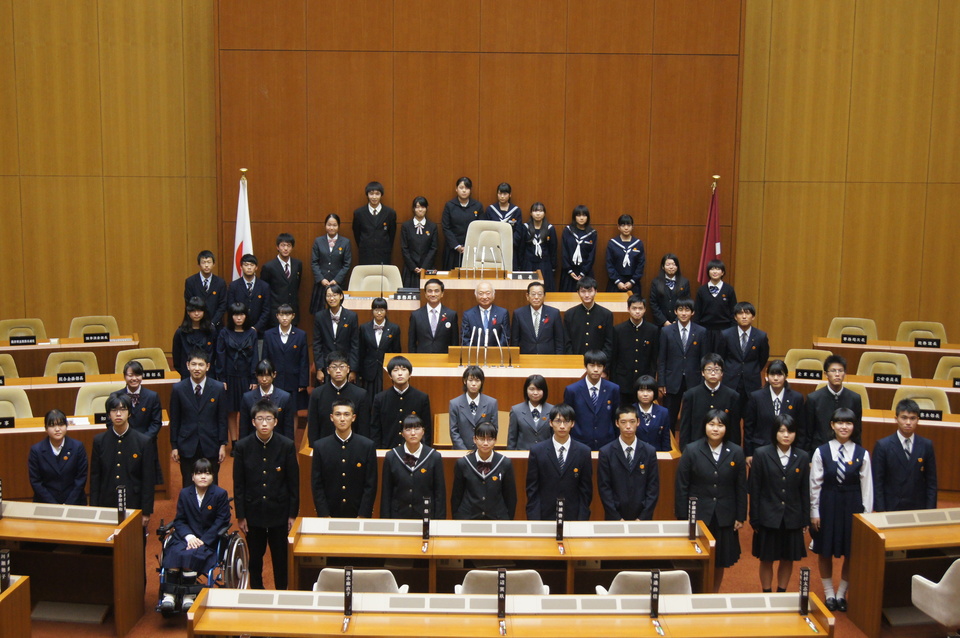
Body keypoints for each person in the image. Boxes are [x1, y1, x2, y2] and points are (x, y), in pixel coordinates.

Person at [675, 409, 746, 592]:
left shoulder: (736, 452)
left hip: (725, 514)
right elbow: (682, 485)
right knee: (695, 557)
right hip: (698, 515)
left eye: (720, 425)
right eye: (711, 424)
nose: (715, 429)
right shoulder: (692, 450)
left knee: (720, 559)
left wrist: (740, 516)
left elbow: (740, 487)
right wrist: (683, 516)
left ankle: (713, 594)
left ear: (726, 428)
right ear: (704, 426)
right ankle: (696, 593)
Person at [810, 407, 873, 612]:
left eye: (848, 423)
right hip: (828, 503)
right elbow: (815, 484)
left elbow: (867, 488)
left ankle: (841, 593)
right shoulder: (821, 451)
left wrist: (866, 517)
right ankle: (829, 593)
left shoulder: (862, 454)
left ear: (854, 427)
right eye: (839, 422)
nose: (843, 427)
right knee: (824, 550)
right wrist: (814, 511)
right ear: (832, 425)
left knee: (851, 552)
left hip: (852, 506)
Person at [233, 399, 299, 590]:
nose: (264, 423)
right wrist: (241, 515)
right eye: (260, 419)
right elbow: (239, 484)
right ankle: (257, 593)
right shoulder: (243, 447)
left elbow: (293, 483)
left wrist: (292, 515)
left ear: (275, 422)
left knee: (280, 559)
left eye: (268, 419)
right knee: (255, 559)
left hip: (279, 512)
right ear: (253, 421)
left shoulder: (286, 445)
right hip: (253, 513)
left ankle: (282, 594)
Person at [158, 458, 231, 613]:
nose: (203, 477)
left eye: (207, 473)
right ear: (192, 477)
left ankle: (188, 596)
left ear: (212, 476)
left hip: (207, 540)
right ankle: (169, 595)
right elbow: (180, 520)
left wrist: (202, 540)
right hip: (186, 537)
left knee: (191, 554)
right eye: (199, 473)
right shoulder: (185, 493)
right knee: (174, 552)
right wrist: (189, 537)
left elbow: (221, 521)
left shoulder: (220, 494)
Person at [748, 414, 810, 593]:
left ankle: (781, 592)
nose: (786, 435)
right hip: (768, 516)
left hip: (792, 516)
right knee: (766, 559)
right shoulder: (761, 454)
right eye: (782, 431)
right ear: (774, 432)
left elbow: (804, 491)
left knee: (787, 558)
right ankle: (766, 593)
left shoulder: (803, 456)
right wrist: (755, 518)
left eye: (790, 431)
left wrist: (805, 518)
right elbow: (755, 489)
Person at [91, 394, 155, 529]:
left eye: (123, 410)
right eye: (114, 410)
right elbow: (95, 477)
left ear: (129, 413)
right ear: (108, 414)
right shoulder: (99, 441)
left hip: (134, 501)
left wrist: (146, 511)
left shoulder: (143, 442)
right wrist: (94, 508)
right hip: (107, 500)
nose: (118, 414)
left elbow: (148, 479)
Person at [169, 349, 228, 487]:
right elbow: (175, 419)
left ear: (207, 367)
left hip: (211, 443)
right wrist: (174, 446)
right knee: (188, 484)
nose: (197, 368)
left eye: (201, 365)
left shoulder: (218, 388)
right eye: (193, 364)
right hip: (187, 444)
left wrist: (223, 444)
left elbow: (222, 419)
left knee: (211, 483)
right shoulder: (178, 389)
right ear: (187, 365)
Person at [311, 398, 378, 518]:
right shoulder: (320, 446)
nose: (342, 419)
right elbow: (317, 484)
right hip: (330, 513)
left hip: (357, 513)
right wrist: (324, 514)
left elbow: (370, 485)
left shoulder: (367, 446)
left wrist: (363, 514)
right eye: (338, 414)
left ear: (353, 417)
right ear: (331, 417)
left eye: (346, 414)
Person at [525, 404, 593, 521]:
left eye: (566, 421)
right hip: (544, 515)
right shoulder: (537, 451)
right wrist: (534, 518)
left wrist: (582, 518)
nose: (562, 426)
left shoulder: (584, 452)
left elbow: (586, 490)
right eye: (558, 421)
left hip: (573, 515)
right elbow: (532, 489)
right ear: (550, 423)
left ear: (573, 423)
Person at [872, 398, 937, 512]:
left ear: (918, 420)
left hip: (918, 507)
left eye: (912, 418)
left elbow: (931, 482)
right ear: (896, 419)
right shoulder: (883, 445)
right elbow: (878, 483)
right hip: (891, 506)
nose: (908, 422)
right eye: (904, 418)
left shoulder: (926, 445)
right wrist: (880, 511)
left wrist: (930, 511)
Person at [598, 405, 659, 520]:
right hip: (615, 518)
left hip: (642, 518)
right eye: (623, 422)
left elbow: (653, 487)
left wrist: (643, 517)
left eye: (632, 422)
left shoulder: (649, 451)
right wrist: (616, 517)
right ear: (617, 423)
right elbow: (604, 488)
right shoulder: (606, 452)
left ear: (638, 422)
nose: (628, 426)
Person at [380, 415, 446, 519]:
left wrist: (439, 521)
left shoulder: (434, 456)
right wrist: (386, 520)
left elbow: (439, 493)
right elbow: (386, 493)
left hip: (425, 515)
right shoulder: (392, 456)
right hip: (398, 515)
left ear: (423, 431)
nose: (413, 433)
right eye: (408, 429)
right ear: (402, 433)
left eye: (417, 428)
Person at [109, 360, 163, 484]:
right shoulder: (115, 396)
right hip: (122, 444)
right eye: (130, 375)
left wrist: (142, 441)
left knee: (146, 483)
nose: (134, 378)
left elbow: (156, 423)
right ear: (124, 376)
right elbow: (109, 422)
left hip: (146, 445)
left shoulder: (152, 396)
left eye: (137, 375)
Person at [451, 421, 518, 520]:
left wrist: (507, 520)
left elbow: (511, 497)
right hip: (468, 518)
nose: (485, 443)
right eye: (482, 439)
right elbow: (456, 497)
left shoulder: (505, 463)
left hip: (497, 518)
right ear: (474, 439)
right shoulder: (463, 463)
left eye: (490, 439)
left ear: (495, 440)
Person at [743, 360, 804, 464]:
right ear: (767, 376)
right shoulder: (756, 397)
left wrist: (799, 452)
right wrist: (749, 453)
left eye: (779, 374)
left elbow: (802, 428)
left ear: (786, 376)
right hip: (761, 448)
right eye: (772, 374)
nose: (776, 378)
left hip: (788, 450)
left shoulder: (796, 398)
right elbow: (749, 427)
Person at [657, 297, 705, 429]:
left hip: (694, 380)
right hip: (672, 380)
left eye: (687, 310)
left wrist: (703, 382)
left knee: (692, 419)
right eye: (680, 310)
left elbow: (704, 359)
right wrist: (661, 382)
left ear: (692, 312)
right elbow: (662, 359)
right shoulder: (666, 331)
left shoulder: (701, 332)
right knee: (669, 419)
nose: (684, 313)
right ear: (675, 312)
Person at [678, 353, 741, 450]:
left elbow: (735, 429)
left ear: (722, 373)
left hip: (723, 449)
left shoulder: (732, 396)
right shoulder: (691, 395)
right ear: (702, 372)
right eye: (709, 369)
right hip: (696, 448)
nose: (713, 373)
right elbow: (685, 427)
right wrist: (685, 450)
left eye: (717, 370)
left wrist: (734, 451)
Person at [306, 351, 370, 444]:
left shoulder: (360, 394)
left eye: (342, 366)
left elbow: (363, 428)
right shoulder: (317, 394)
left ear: (348, 369)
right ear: (328, 370)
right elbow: (313, 426)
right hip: (324, 447)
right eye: (334, 367)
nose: (338, 370)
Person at [216, 302, 258, 446]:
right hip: (229, 376)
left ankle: (245, 441)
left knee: (247, 410)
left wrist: (254, 378)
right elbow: (220, 356)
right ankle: (234, 442)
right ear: (231, 316)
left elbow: (255, 357)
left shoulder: (252, 332)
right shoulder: (224, 332)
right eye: (235, 314)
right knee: (231, 411)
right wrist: (221, 378)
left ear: (246, 316)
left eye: (241, 314)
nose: (238, 318)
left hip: (246, 377)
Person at [563, 350, 620, 451]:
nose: (596, 370)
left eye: (599, 366)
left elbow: (615, 417)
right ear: (585, 366)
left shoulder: (613, 389)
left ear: (604, 367)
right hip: (579, 444)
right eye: (592, 365)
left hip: (607, 443)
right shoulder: (572, 390)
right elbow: (568, 419)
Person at [804, 355, 863, 452]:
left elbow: (857, 431)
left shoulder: (854, 398)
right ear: (826, 374)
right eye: (833, 371)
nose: (837, 374)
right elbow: (808, 432)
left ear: (845, 374)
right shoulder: (813, 399)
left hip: (847, 451)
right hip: (820, 451)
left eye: (840, 371)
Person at [371, 355, 432, 449]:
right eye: (395, 370)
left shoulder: (421, 397)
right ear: (390, 375)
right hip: (388, 449)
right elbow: (375, 429)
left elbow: (426, 428)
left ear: (410, 374)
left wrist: (424, 450)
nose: (400, 373)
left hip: (414, 450)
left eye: (404, 369)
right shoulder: (380, 398)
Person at [28, 409, 88, 505]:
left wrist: (68, 504)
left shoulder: (77, 447)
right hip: (45, 504)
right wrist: (54, 505)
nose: (57, 429)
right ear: (46, 428)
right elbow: (36, 482)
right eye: (52, 425)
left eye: (61, 425)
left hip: (75, 502)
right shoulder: (36, 450)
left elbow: (81, 479)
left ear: (66, 426)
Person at [718, 301, 770, 411]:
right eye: (740, 313)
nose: (744, 316)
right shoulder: (726, 334)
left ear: (753, 317)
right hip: (731, 381)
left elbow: (763, 358)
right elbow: (721, 357)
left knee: (750, 418)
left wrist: (752, 369)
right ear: (735, 317)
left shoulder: (761, 336)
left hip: (752, 382)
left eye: (747, 313)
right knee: (731, 417)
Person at [609, 294, 659, 406]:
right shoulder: (618, 330)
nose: (637, 311)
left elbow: (653, 358)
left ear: (645, 310)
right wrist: (614, 382)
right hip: (622, 381)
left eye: (640, 308)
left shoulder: (653, 330)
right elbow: (614, 358)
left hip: (643, 383)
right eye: (634, 308)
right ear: (628, 309)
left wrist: (650, 380)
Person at [261, 303, 310, 411]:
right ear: (277, 316)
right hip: (274, 380)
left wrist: (303, 382)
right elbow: (265, 359)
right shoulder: (269, 334)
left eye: (287, 315)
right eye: (282, 315)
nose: (284, 318)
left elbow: (304, 360)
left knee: (293, 411)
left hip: (294, 379)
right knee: (273, 410)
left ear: (293, 316)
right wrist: (266, 378)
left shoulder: (301, 335)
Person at [312, 283, 360, 382]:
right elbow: (317, 344)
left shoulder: (351, 316)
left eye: (334, 295)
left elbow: (355, 345)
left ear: (341, 296)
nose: (332, 298)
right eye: (329, 296)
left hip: (345, 365)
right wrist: (319, 368)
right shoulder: (320, 317)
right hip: (327, 365)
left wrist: (353, 369)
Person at [357, 297, 401, 403]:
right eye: (376, 310)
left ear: (386, 311)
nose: (379, 313)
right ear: (372, 311)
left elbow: (396, 351)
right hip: (369, 369)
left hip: (385, 369)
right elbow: (361, 351)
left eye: (382, 310)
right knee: (369, 400)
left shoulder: (394, 328)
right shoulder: (364, 328)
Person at [239, 359, 295, 440]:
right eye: (261, 375)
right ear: (256, 375)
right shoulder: (247, 398)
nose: (264, 379)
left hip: (278, 443)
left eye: (267, 375)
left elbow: (288, 428)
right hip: (254, 444)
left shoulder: (285, 397)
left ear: (274, 374)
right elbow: (244, 428)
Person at [309, 213, 352, 314]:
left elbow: (347, 264)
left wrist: (336, 280)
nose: (331, 227)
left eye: (334, 225)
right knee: (320, 314)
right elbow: (314, 262)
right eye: (329, 225)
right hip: (322, 284)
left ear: (338, 226)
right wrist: (321, 279)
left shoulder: (345, 242)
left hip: (338, 284)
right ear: (325, 225)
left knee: (339, 313)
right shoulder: (318, 241)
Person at [449, 365, 499, 450]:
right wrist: (464, 451)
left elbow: (494, 428)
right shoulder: (455, 403)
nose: (473, 384)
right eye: (470, 380)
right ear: (465, 381)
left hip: (484, 451)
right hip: (461, 451)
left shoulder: (491, 403)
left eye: (477, 380)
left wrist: (484, 447)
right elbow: (454, 431)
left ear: (482, 382)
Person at [693, 258, 738, 353]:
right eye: (712, 269)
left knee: (722, 358)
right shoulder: (701, 290)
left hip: (724, 330)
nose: (715, 271)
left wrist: (732, 331)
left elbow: (734, 312)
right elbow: (697, 312)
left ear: (722, 272)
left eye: (718, 269)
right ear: (708, 272)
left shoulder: (729, 289)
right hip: (705, 330)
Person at [259, 233, 304, 327]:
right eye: (283, 245)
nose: (286, 248)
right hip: (276, 312)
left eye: (289, 245)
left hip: (292, 312)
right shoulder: (269, 267)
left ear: (292, 247)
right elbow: (264, 290)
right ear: (277, 247)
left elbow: (296, 285)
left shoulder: (297, 264)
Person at [563, 276, 614, 358]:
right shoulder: (570, 314)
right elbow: (567, 342)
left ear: (596, 292)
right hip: (575, 361)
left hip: (598, 363)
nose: (587, 295)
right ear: (578, 293)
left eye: (590, 291)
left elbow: (608, 343)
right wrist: (572, 360)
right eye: (583, 291)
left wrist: (602, 363)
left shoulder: (606, 314)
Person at [441, 176, 483, 269]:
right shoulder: (449, 206)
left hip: (472, 249)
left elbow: (480, 228)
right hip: (453, 248)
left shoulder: (477, 206)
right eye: (461, 188)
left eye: (467, 188)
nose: (464, 191)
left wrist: (470, 245)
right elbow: (446, 227)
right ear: (456, 189)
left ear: (470, 190)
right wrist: (457, 246)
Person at [511, 281, 565, 355]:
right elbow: (514, 341)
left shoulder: (554, 313)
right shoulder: (518, 314)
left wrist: (558, 358)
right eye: (533, 294)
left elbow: (559, 341)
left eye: (540, 294)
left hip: (548, 357)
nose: (536, 297)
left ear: (544, 296)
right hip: (526, 357)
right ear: (527, 296)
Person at [408, 277, 459, 353]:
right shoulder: (416, 315)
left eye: (436, 291)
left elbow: (455, 342)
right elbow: (411, 343)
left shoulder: (451, 315)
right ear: (425, 294)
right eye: (430, 291)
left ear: (442, 294)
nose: (433, 294)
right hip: (422, 358)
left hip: (444, 358)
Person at [352, 181, 397, 266]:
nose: (374, 197)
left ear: (381, 195)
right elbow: (357, 234)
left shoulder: (390, 213)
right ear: (367, 195)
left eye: (377, 194)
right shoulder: (359, 213)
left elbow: (391, 235)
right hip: (365, 255)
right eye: (371, 194)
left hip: (384, 255)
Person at [172, 296, 217, 379]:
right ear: (188, 312)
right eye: (193, 311)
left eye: (199, 310)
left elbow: (215, 354)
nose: (196, 313)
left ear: (204, 312)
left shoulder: (211, 330)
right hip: (187, 376)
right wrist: (186, 371)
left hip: (209, 375)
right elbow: (177, 359)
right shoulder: (180, 333)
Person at [226, 253, 271, 334]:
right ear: (241, 267)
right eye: (246, 265)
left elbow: (266, 310)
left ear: (256, 267)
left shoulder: (264, 286)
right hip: (238, 330)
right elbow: (231, 308)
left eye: (252, 265)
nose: (249, 267)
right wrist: (240, 326)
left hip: (259, 332)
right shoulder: (233, 286)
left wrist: (256, 327)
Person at [399, 196, 438, 288]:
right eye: (417, 207)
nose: (420, 210)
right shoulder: (406, 226)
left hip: (427, 268)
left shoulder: (432, 226)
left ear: (427, 208)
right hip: (410, 269)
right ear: (413, 209)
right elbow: (404, 248)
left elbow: (434, 248)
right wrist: (413, 267)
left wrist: (424, 267)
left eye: (423, 207)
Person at [507, 374, 553, 450]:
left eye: (539, 389)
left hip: (546, 455)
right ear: (526, 390)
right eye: (532, 389)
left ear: (544, 391)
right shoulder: (516, 410)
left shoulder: (552, 410)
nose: (535, 393)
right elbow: (512, 439)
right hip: (522, 454)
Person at [184, 249, 227, 329]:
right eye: (203, 262)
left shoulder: (220, 283)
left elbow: (223, 305)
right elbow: (189, 303)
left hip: (216, 326)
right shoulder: (190, 282)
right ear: (199, 265)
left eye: (209, 262)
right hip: (196, 325)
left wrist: (213, 323)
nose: (206, 265)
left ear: (214, 264)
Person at [519, 202, 557, 291]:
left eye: (540, 211)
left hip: (544, 264)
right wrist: (520, 265)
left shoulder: (550, 228)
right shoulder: (525, 227)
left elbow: (553, 249)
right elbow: (521, 248)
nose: (538, 213)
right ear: (531, 213)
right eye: (535, 211)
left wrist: (553, 266)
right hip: (528, 264)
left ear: (544, 213)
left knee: (544, 290)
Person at [460, 280, 510, 348]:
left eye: (488, 293)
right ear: (476, 295)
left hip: (496, 355)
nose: (484, 297)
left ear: (493, 294)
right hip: (474, 355)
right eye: (480, 293)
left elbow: (505, 338)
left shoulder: (502, 313)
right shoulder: (468, 315)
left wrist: (495, 352)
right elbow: (465, 339)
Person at [483, 182, 522, 269]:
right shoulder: (490, 210)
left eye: (505, 194)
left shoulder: (516, 211)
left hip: (511, 249)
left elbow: (518, 231)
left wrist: (509, 244)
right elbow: (487, 229)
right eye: (500, 193)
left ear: (510, 195)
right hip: (493, 248)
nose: (502, 196)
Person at [559, 205, 597, 292]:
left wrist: (583, 272)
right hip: (569, 272)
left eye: (584, 215)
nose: (581, 218)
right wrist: (569, 270)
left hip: (585, 272)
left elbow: (592, 255)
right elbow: (564, 252)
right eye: (578, 215)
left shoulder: (592, 233)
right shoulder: (567, 231)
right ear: (574, 217)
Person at [648, 253, 691, 327]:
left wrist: (677, 320)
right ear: (663, 267)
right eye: (668, 265)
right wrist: (664, 322)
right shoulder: (656, 282)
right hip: (660, 324)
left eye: (674, 264)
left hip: (680, 322)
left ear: (677, 267)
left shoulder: (684, 282)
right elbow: (653, 304)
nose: (671, 267)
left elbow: (687, 302)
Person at [605, 214, 645, 294]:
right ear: (618, 227)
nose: (626, 228)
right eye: (623, 225)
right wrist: (618, 282)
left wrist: (632, 282)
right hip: (615, 283)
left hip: (633, 283)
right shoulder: (612, 243)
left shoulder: (638, 244)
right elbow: (609, 264)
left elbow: (641, 264)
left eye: (629, 225)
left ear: (632, 226)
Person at [633, 375, 672, 452]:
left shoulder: (663, 412)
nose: (645, 394)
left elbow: (665, 439)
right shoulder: (630, 411)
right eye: (641, 390)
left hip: (656, 455)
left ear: (654, 392)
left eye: (649, 391)